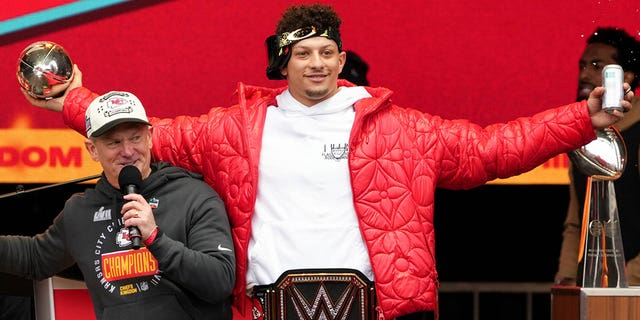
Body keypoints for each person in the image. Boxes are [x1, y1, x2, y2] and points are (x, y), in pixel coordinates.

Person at [23, 4, 634, 320]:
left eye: (328, 52)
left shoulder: (400, 128)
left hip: (374, 309)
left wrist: (584, 118)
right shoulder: (234, 129)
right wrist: (71, 96)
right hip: (269, 311)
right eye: (304, 52)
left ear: (342, 59)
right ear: (281, 62)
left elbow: (491, 149)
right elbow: (138, 137)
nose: (317, 63)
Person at [2, 91, 236, 319]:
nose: (127, 151)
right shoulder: (82, 210)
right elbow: (35, 258)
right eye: (114, 142)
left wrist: (156, 239)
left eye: (135, 138)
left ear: (150, 137)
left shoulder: (194, 196)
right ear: (93, 150)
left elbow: (220, 281)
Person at [555, 26, 640, 287]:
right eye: (583, 66)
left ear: (625, 76)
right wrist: (568, 277)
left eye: (596, 66)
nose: (584, 74)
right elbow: (576, 218)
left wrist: (630, 277)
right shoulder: (581, 136)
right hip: (594, 288)